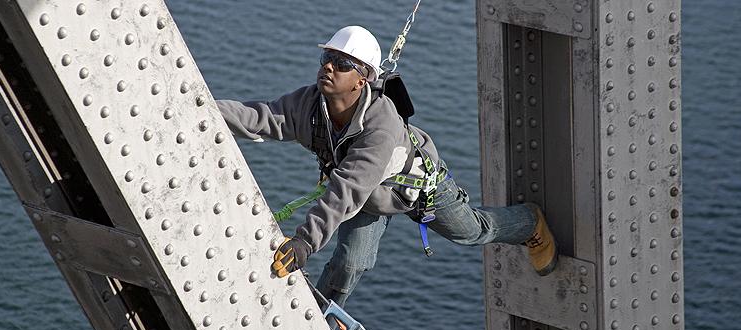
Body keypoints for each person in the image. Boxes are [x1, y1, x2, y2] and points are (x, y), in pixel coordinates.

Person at [216, 26, 558, 305]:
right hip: (368, 196)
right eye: (327, 57)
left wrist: (306, 240)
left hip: (418, 191)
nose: (329, 66)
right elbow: (260, 117)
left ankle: (529, 223)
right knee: (350, 263)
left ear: (362, 79)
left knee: (472, 232)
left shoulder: (381, 126)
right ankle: (323, 318)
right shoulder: (309, 105)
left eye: (342, 63)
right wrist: (202, 106)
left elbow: (345, 189)